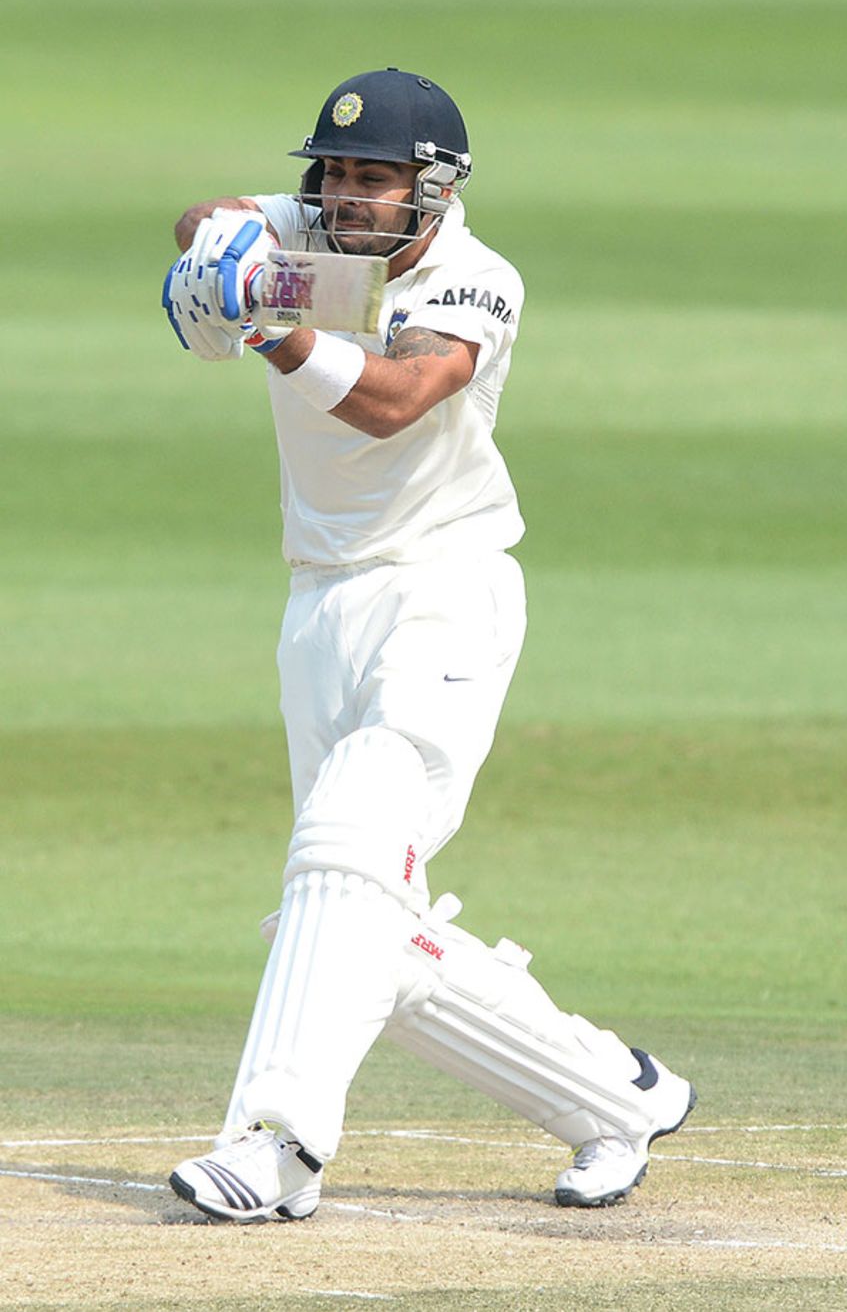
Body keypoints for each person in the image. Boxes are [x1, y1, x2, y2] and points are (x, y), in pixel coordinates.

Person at [161, 67, 694, 1223]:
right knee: (351, 908)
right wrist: (219, 251)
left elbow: (401, 396)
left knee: (351, 844)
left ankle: (274, 1147)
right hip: (319, 605)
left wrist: (270, 326)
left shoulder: (476, 279)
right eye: (337, 174)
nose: (352, 197)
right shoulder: (312, 227)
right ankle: (618, 1096)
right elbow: (203, 220)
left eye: (378, 177)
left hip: (442, 593)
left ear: (434, 188)